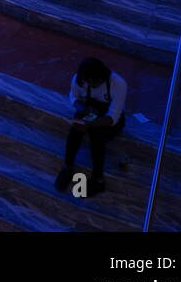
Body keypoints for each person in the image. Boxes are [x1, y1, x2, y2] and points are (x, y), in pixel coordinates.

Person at [54, 58, 127, 196]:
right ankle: (67, 167)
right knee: (75, 129)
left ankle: (98, 179)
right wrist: (82, 108)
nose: (90, 84)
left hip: (110, 117)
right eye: (88, 81)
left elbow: (113, 117)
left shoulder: (118, 83)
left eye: (94, 81)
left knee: (97, 136)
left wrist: (89, 125)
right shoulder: (80, 79)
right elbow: (74, 97)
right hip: (90, 110)